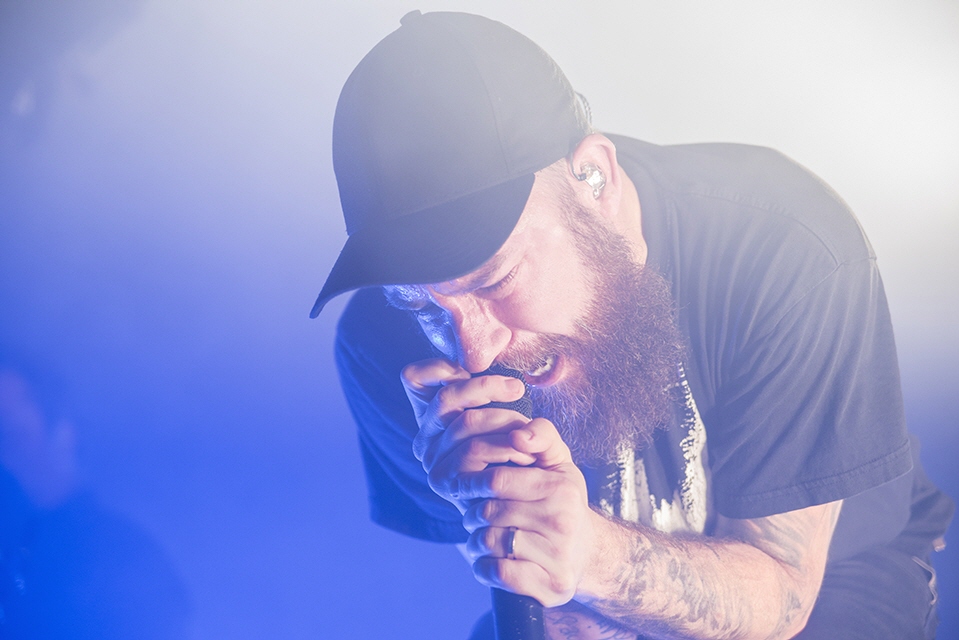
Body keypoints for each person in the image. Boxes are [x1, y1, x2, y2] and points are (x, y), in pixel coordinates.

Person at [311, 11, 953, 639]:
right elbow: (546, 605)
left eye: (498, 280)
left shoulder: (784, 247)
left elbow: (782, 601)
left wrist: (590, 553)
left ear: (595, 179)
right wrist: (508, 518)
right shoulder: (383, 350)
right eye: (425, 308)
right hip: (596, 607)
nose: (474, 352)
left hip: (834, 577)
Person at [0, 350, 192, 639]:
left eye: (14, 434)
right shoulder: (15, 542)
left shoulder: (119, 553)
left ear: (64, 433)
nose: (8, 458)